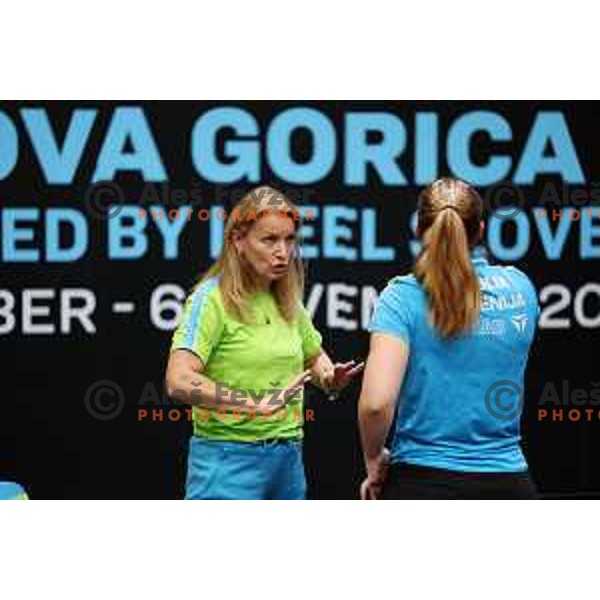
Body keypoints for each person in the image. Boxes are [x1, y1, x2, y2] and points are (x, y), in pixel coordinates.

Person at [166, 186, 363, 500]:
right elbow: (178, 381)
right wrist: (253, 403)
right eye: (269, 240)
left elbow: (315, 359)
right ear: (238, 241)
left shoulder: (287, 300)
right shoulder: (211, 299)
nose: (283, 251)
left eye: (289, 239)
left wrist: (330, 379)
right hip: (227, 462)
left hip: (288, 462)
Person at [358, 177, 540, 500]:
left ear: (418, 230)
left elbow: (376, 404)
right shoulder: (520, 288)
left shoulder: (401, 297)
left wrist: (374, 460)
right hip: (510, 487)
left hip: (422, 484)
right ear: (481, 230)